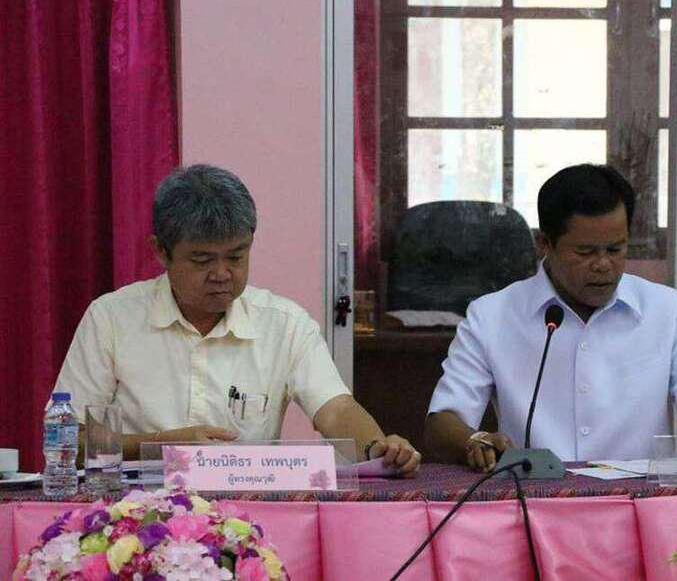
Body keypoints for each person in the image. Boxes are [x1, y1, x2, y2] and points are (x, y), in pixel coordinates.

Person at [53, 164, 420, 477]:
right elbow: (68, 442)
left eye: (236, 257)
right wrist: (160, 445)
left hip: (249, 511)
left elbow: (335, 408)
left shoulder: (285, 323)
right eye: (202, 260)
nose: (221, 274)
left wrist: (377, 450)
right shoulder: (111, 318)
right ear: (161, 251)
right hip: (137, 512)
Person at [423, 163, 677, 472]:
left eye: (615, 249)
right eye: (585, 252)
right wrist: (474, 441)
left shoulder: (667, 310)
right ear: (545, 243)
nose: (603, 265)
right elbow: (442, 422)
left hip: (642, 500)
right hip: (538, 500)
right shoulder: (492, 316)